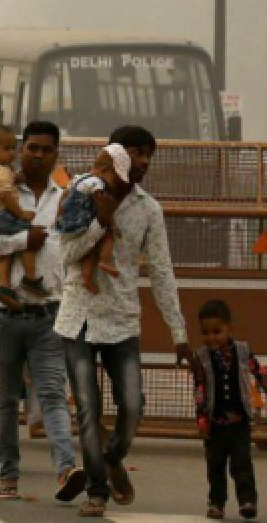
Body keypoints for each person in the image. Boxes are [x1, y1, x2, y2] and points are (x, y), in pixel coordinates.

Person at [57, 125, 194, 518]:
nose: (144, 162)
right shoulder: (82, 194)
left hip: (122, 320)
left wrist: (179, 333)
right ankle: (97, 491)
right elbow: (66, 254)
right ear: (115, 152)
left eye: (150, 154)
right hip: (79, 318)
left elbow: (163, 271)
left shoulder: (149, 208)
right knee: (87, 408)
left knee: (132, 406)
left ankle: (111, 456)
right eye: (136, 153)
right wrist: (102, 219)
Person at [0, 120, 85, 503]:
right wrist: (23, 238)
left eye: (45, 149)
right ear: (21, 150)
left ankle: (66, 469)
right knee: (5, 397)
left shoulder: (65, 195)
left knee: (52, 393)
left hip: (49, 310)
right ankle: (8, 476)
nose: (37, 155)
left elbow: (75, 244)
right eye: (31, 147)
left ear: (55, 155)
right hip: (1, 311)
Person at [194, 300, 265, 521]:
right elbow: (199, 390)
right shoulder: (202, 357)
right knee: (215, 466)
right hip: (215, 425)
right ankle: (216, 502)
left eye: (217, 331)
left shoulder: (243, 351)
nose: (212, 337)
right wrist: (202, 420)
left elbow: (258, 371)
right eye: (206, 333)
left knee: (241, 463)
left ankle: (247, 500)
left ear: (230, 329)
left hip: (239, 423)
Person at [0, 124, 47, 309]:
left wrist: (16, 178)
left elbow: (3, 180)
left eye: (14, 149)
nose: (12, 154)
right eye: (7, 149)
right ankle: (31, 279)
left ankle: (4, 287)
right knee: (30, 238)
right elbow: (6, 196)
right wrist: (21, 214)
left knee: (6, 252)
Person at [53, 144, 129, 294]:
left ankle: (87, 279)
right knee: (106, 235)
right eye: (115, 179)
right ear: (104, 170)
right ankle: (104, 261)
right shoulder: (97, 183)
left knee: (89, 250)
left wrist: (59, 216)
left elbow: (65, 195)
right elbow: (101, 200)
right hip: (79, 224)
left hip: (66, 225)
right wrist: (111, 222)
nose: (115, 184)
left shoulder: (78, 179)